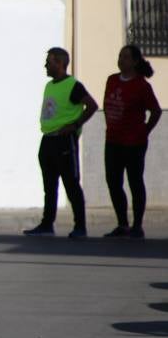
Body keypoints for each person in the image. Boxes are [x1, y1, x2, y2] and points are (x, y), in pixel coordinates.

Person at [24, 47, 98, 238]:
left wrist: (75, 125)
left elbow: (92, 106)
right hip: (48, 140)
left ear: (60, 63)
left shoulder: (73, 85)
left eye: (49, 62)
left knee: (71, 184)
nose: (46, 65)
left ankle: (80, 226)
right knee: (49, 186)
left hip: (64, 141)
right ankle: (47, 224)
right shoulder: (49, 85)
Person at [102, 44, 161, 238]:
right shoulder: (111, 80)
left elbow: (156, 111)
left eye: (126, 57)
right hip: (112, 140)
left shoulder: (142, 85)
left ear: (135, 61)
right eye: (120, 56)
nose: (121, 60)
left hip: (134, 142)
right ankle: (122, 224)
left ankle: (137, 226)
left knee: (135, 182)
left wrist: (145, 131)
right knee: (113, 182)